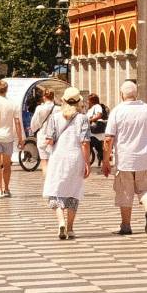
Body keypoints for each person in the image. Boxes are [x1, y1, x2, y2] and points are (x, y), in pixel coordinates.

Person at [103, 79, 147, 236]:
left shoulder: (117, 111)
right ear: (136, 94)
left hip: (124, 160)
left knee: (125, 192)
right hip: (144, 158)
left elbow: (108, 138)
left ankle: (126, 226)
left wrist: (105, 160)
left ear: (122, 94)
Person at [40, 87, 92, 240]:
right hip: (75, 157)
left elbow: (49, 140)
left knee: (56, 190)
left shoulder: (55, 117)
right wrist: (87, 162)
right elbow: (85, 143)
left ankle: (61, 222)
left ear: (63, 101)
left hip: (58, 157)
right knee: (73, 191)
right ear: (78, 103)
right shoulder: (82, 118)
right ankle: (69, 228)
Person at [85, 93, 108, 166]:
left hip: (94, 131)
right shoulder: (91, 108)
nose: (87, 101)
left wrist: (90, 120)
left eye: (88, 100)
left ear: (92, 101)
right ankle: (101, 159)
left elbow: (99, 115)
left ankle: (86, 162)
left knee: (88, 146)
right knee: (98, 148)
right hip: (93, 132)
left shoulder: (97, 106)